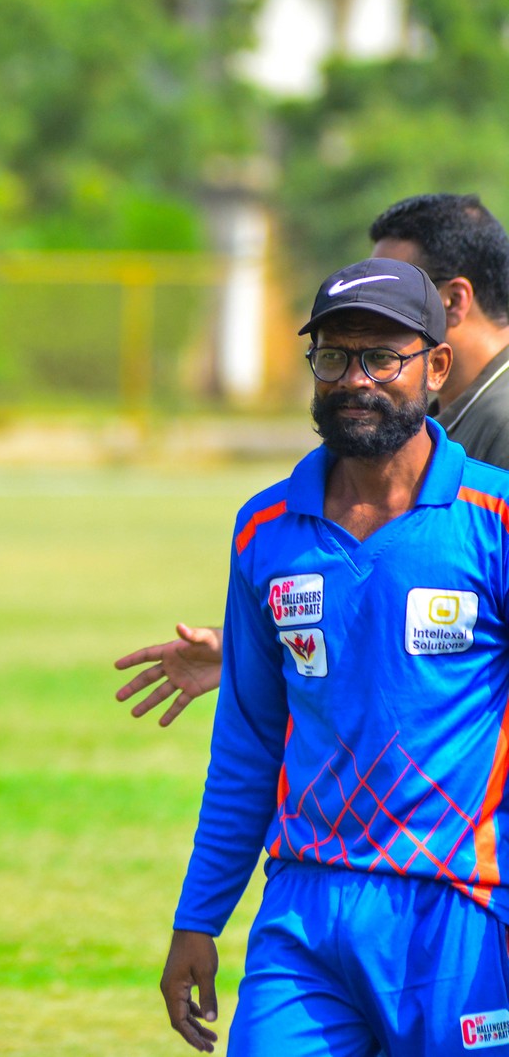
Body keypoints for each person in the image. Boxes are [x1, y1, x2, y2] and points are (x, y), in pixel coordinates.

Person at [160, 256, 509, 1053]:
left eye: (382, 357)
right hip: (305, 911)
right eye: (334, 355)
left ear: (437, 365)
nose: (355, 379)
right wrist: (198, 915)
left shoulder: (495, 519)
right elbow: (248, 743)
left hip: (461, 909)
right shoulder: (265, 529)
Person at [116, 193, 509, 724]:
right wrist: (263, 645)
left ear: (453, 305)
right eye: (334, 356)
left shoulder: (499, 432)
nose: (355, 377)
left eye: (399, 282)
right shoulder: (431, 422)